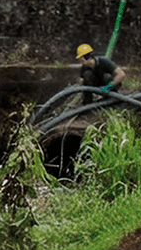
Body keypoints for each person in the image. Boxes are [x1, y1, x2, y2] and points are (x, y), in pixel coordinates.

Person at [49, 42, 127, 179]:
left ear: (86, 57)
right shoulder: (84, 70)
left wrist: (109, 86)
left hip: (108, 85)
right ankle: (89, 107)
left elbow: (121, 74)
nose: (80, 60)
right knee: (88, 77)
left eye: (80, 58)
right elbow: (84, 85)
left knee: (109, 77)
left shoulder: (104, 62)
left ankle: (112, 100)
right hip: (95, 86)